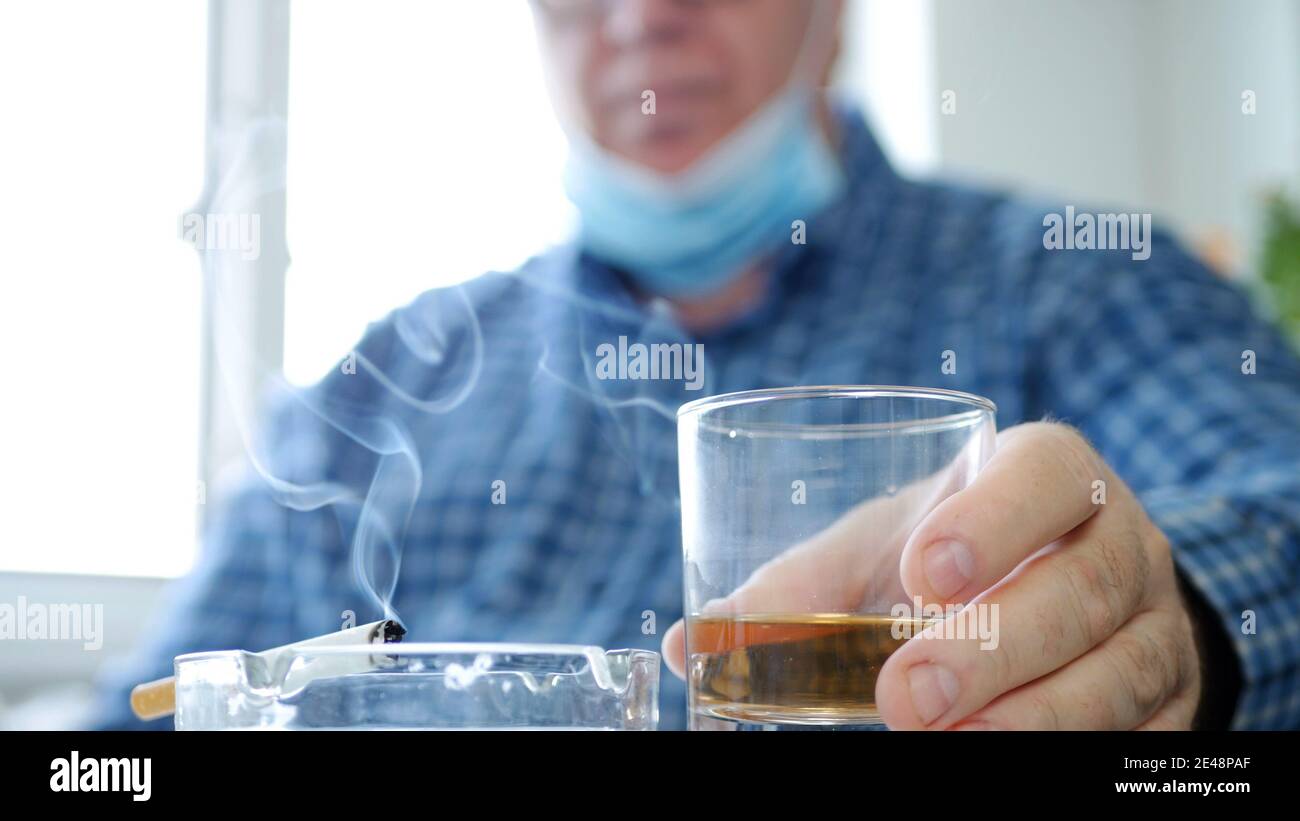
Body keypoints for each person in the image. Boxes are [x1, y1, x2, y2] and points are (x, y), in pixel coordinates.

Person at [92, 0, 1300, 730]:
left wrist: (1167, 622)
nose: (640, 15)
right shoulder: (385, 385)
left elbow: (1279, 512)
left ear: (835, 13)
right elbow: (129, 732)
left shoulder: (1074, 281)